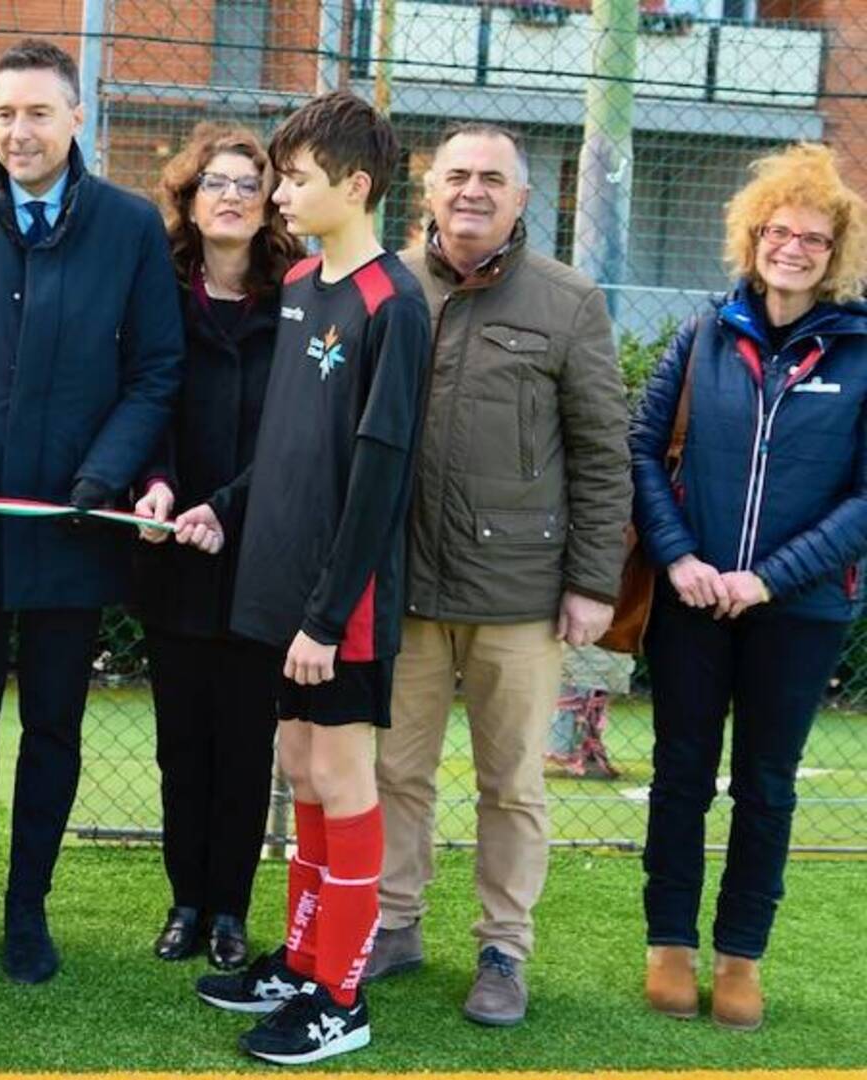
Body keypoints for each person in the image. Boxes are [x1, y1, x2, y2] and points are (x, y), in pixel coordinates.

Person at [0, 37, 183, 985]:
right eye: (5, 114)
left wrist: (99, 481)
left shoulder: (130, 225)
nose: (19, 131)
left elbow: (155, 371)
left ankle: (28, 912)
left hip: (73, 528)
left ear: (76, 118)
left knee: (54, 725)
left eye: (38, 113)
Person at [366, 122, 631, 1027]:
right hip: (404, 585)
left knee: (511, 782)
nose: (472, 191)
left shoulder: (568, 302)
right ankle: (395, 923)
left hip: (518, 592)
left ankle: (502, 949)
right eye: (456, 176)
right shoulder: (385, 285)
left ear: (523, 198)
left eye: (493, 179)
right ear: (427, 191)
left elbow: (602, 453)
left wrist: (593, 582)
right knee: (395, 771)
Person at [192, 92, 430, 1066]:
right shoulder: (298, 283)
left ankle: (342, 995)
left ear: (355, 186)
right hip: (276, 583)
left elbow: (377, 474)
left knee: (341, 777)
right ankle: (299, 962)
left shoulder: (393, 302)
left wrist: (329, 617)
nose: (277, 192)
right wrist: (227, 503)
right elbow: (292, 444)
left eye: (294, 177)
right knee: (299, 771)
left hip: (341, 604)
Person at [632, 142, 867, 1033]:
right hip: (692, 601)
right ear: (752, 235)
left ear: (834, 248)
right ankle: (669, 948)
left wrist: (767, 580)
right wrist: (682, 558)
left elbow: (863, 500)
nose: (792, 248)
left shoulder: (862, 345)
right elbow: (644, 452)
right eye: (778, 230)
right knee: (681, 776)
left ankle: (740, 958)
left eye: (812, 237)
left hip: (799, 611)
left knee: (767, 786)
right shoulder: (702, 333)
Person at [132, 123, 300, 972]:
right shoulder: (157, 293)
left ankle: (231, 911)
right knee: (181, 745)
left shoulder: (299, 300)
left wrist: (226, 507)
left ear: (270, 200)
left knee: (243, 746)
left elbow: (295, 436)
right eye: (214, 183)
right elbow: (143, 403)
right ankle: (186, 902)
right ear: (189, 202)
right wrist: (156, 485)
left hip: (258, 554)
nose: (230, 195)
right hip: (173, 552)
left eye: (247, 182)